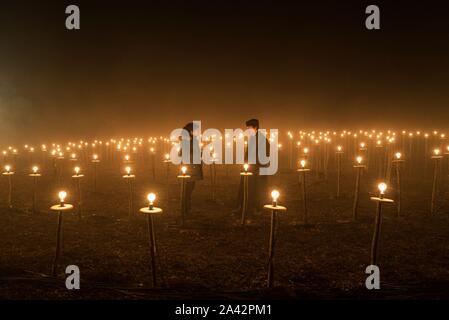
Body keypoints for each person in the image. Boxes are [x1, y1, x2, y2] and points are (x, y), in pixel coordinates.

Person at [235, 118, 270, 214]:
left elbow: (265, 156)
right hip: (249, 168)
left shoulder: (262, 140)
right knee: (246, 187)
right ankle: (243, 206)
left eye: (249, 128)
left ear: (256, 127)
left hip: (257, 170)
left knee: (256, 190)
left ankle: (255, 208)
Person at [180, 122, 203, 213]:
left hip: (190, 165)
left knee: (188, 185)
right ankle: (186, 204)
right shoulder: (190, 140)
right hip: (191, 165)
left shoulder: (187, 139)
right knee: (189, 186)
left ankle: (186, 203)